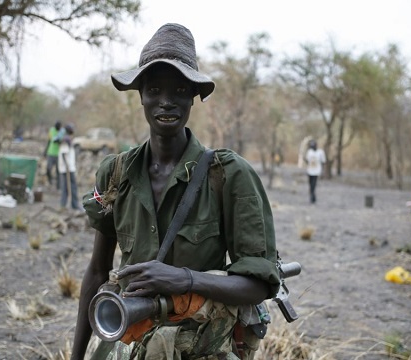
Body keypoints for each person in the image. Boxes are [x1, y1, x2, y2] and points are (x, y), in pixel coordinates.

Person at [72, 23, 280, 360]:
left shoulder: (228, 175)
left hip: (201, 346)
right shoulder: (116, 173)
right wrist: (77, 355)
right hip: (128, 341)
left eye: (180, 90)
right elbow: (97, 271)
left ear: (193, 97)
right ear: (139, 94)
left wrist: (184, 279)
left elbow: (259, 284)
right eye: (154, 89)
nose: (166, 102)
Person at [58, 124, 80, 210]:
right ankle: (74, 205)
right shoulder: (66, 140)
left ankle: (64, 205)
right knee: (72, 187)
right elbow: (64, 153)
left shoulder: (65, 139)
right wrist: (67, 167)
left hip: (67, 168)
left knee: (66, 187)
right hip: (68, 169)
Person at [304, 139, 326, 204]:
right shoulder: (309, 152)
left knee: (314, 184)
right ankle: (312, 196)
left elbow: (323, 161)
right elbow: (307, 161)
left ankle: (312, 196)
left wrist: (323, 171)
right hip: (310, 171)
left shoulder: (320, 152)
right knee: (310, 184)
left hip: (316, 171)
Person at [45, 121, 63, 189]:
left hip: (58, 154)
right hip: (50, 153)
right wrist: (45, 151)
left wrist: (59, 140)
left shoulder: (61, 132)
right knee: (48, 169)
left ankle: (58, 186)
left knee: (58, 171)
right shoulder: (51, 130)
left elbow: (61, 141)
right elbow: (49, 140)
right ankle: (50, 181)